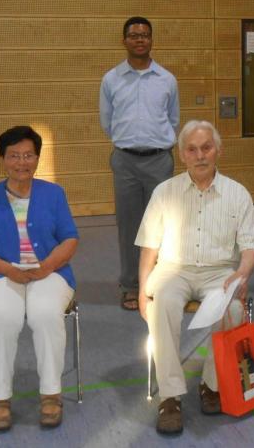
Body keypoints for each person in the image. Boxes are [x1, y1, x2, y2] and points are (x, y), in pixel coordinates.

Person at [135, 120, 254, 434]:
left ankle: (211, 384)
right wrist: (141, 289)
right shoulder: (164, 192)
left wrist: (242, 275)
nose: (200, 155)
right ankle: (170, 396)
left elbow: (250, 245)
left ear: (218, 150)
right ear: (182, 155)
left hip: (219, 272)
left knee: (233, 309)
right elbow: (149, 246)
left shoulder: (238, 193)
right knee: (161, 301)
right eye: (192, 149)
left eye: (206, 147)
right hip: (173, 269)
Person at [0, 126, 79, 431]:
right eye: (14, 156)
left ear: (37, 158)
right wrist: (8, 269)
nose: (21, 162)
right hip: (0, 274)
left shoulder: (54, 193)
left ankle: (51, 395)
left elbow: (69, 239)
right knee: (4, 317)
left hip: (50, 271)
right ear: (3, 159)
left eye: (28, 155)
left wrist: (46, 267)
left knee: (45, 315)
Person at [100, 16, 180, 311]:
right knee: (130, 226)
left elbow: (173, 120)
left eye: (145, 35)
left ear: (151, 40)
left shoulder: (167, 79)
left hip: (160, 161)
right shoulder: (111, 80)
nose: (140, 40)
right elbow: (107, 122)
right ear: (124, 41)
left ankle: (158, 283)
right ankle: (131, 286)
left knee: (162, 226)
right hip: (126, 162)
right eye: (134, 35)